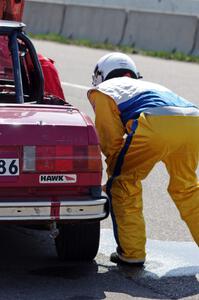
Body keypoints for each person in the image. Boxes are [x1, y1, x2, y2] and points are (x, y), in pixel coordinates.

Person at [87, 52, 199, 266]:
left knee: (123, 184)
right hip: (193, 121)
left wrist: (113, 179)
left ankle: (132, 253)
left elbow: (110, 141)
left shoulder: (102, 91)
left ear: (101, 74)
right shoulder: (149, 85)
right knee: (186, 188)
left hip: (156, 123)